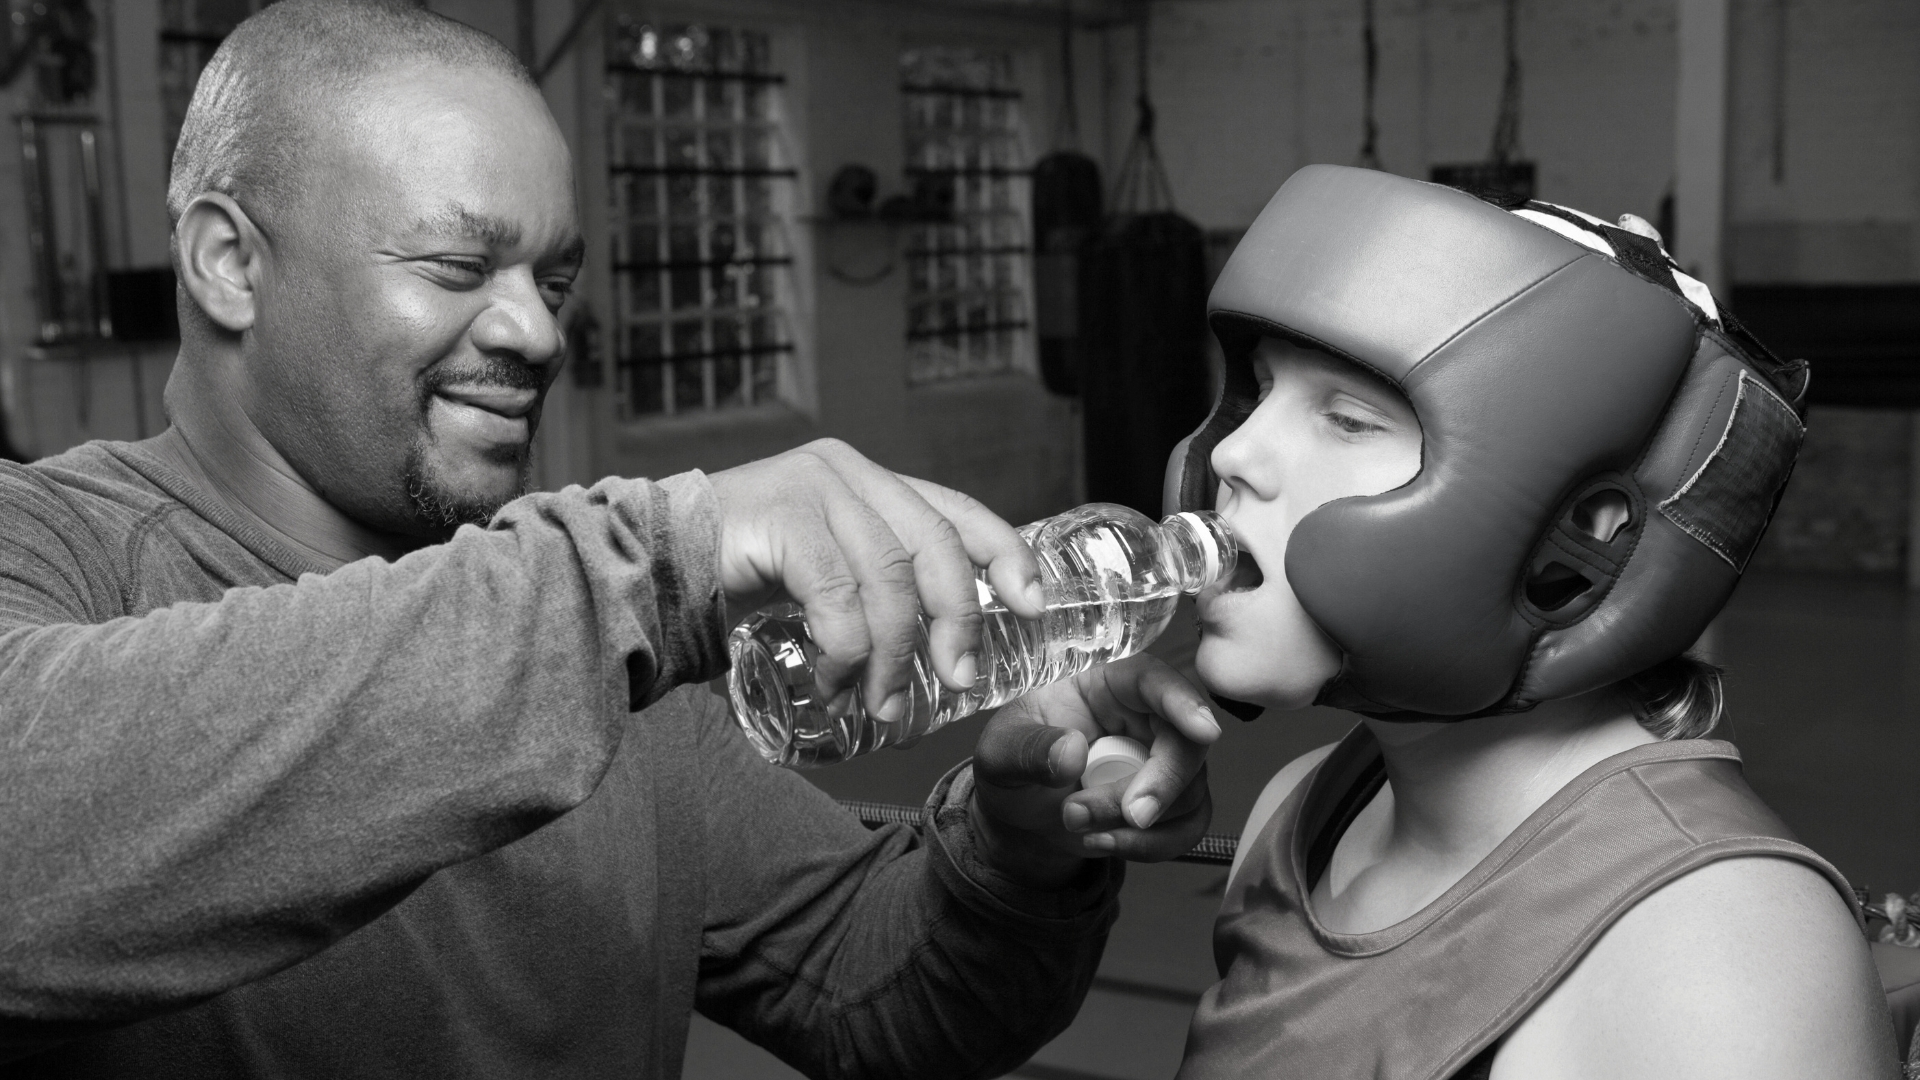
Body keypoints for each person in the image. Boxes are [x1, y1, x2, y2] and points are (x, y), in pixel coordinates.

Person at [0, 2, 1218, 1074]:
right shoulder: (50, 551)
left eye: (556, 279)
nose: (535, 332)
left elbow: (874, 997)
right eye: (458, 262)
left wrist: (1013, 852)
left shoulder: (607, 641)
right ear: (229, 262)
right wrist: (662, 558)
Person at [1165, 166, 1897, 1078]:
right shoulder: (1301, 806)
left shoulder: (1712, 956)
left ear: (1578, 535)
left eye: (1348, 420)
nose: (1234, 452)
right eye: (1260, 391)